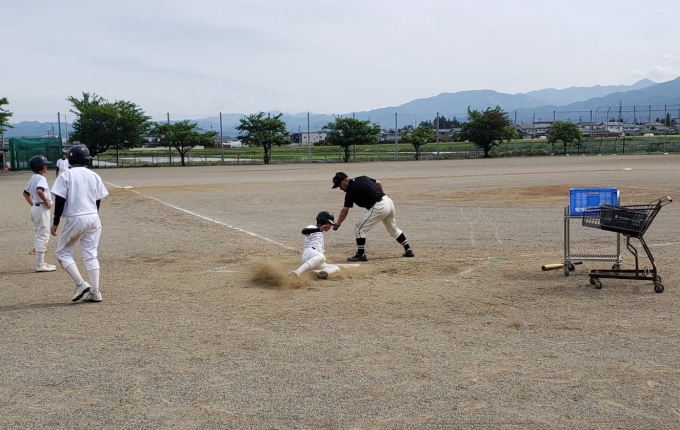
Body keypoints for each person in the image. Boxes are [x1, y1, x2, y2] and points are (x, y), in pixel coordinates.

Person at [51, 145, 109, 302]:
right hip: (93, 217)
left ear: (70, 159)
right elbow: (98, 199)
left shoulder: (66, 175)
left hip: (76, 217)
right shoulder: (94, 175)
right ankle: (95, 292)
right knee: (91, 254)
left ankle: (81, 284)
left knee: (63, 253)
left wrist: (56, 222)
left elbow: (60, 199)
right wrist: (94, 215)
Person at [331, 172, 414, 261]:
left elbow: (344, 211)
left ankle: (361, 254)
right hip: (387, 201)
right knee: (393, 229)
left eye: (339, 185)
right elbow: (379, 183)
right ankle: (408, 249)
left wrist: (338, 223)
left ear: (345, 180)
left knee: (359, 229)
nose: (340, 188)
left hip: (380, 206)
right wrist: (381, 195)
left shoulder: (350, 191)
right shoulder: (362, 178)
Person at [23, 155, 57, 272]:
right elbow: (39, 190)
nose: (46, 166)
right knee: (43, 235)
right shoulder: (41, 178)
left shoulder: (33, 177)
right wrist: (46, 203)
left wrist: (33, 204)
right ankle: (40, 265)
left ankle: (41, 262)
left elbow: (25, 193)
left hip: (36, 208)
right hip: (41, 209)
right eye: (44, 165)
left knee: (39, 234)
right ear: (40, 167)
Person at [289, 211, 341, 279]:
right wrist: (319, 229)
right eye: (329, 223)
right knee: (322, 257)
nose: (330, 226)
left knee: (336, 268)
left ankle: (318, 273)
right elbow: (304, 231)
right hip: (309, 253)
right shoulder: (312, 227)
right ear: (322, 221)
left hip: (315, 258)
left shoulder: (321, 234)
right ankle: (297, 272)